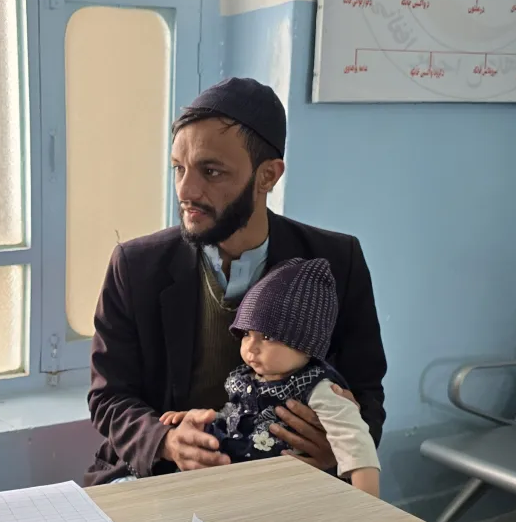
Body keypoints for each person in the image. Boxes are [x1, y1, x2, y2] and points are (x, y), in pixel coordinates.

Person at [85, 76, 387, 485]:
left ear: (268, 176)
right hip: (160, 478)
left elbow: (365, 390)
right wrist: (166, 441)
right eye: (179, 168)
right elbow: (109, 397)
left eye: (211, 171)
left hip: (285, 479)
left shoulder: (334, 261)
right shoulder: (136, 265)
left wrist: (332, 448)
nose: (186, 190)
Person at [158, 258, 381, 497]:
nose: (250, 348)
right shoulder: (249, 377)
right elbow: (235, 416)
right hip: (231, 483)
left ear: (305, 343)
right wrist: (199, 420)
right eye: (246, 334)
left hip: (282, 493)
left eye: (267, 337)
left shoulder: (318, 388)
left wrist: (367, 504)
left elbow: (356, 444)